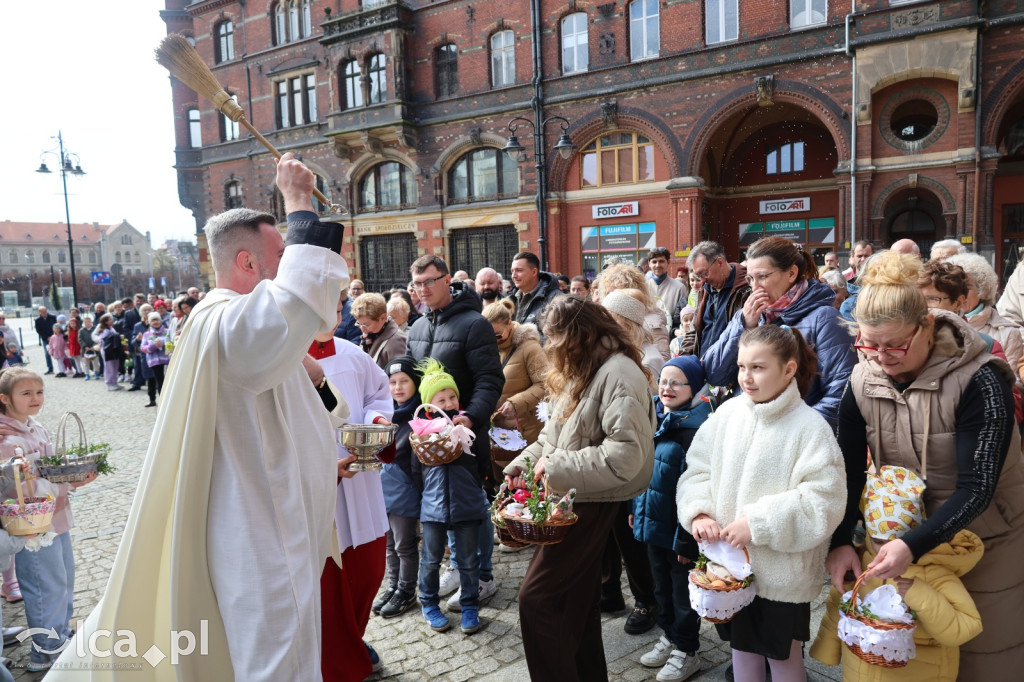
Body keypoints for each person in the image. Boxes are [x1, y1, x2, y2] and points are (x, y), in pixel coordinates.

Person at [48, 152, 348, 681]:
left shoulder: (243, 326)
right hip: (260, 531)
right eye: (284, 250)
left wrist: (318, 385)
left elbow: (295, 377)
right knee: (277, 664)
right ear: (249, 264)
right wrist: (298, 202)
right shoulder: (222, 321)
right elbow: (297, 308)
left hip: (281, 523)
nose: (292, 259)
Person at [827, 250, 1024, 677]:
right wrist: (841, 539)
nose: (881, 356)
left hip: (987, 539)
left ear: (928, 324)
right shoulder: (862, 378)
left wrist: (910, 545)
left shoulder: (980, 379)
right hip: (907, 542)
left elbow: (978, 486)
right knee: (915, 661)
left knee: (983, 657)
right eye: (868, 344)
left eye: (896, 344)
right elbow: (847, 468)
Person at [678, 325, 846, 682]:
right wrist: (700, 511)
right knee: (741, 650)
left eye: (758, 367)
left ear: (788, 369)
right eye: (741, 367)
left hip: (782, 575)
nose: (746, 377)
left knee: (783, 657)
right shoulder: (727, 415)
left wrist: (759, 523)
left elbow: (824, 500)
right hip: (731, 570)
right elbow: (698, 470)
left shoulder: (810, 428)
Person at [504, 296, 655, 679]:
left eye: (553, 338)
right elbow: (555, 439)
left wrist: (553, 468)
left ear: (578, 335)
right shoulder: (583, 366)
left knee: (538, 600)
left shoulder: (618, 372)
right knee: (576, 602)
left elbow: (625, 458)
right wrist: (520, 463)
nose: (549, 347)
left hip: (591, 500)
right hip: (574, 494)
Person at [810, 466, 984, 681]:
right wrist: (827, 649)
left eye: (896, 543)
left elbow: (967, 627)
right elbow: (841, 606)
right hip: (858, 671)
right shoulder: (863, 563)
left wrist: (920, 594)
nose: (885, 551)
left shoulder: (934, 572)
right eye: (878, 542)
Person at [406, 255, 504, 614]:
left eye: (429, 281)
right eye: (416, 284)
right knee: (442, 501)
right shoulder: (416, 327)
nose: (422, 289)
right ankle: (457, 567)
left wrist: (471, 417)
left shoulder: (474, 323)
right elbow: (412, 384)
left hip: (466, 434)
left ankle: (482, 575)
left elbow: (490, 379)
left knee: (473, 504)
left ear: (447, 280)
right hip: (430, 435)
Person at [310, 312, 393, 682]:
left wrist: (377, 421)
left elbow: (378, 393)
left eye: (339, 303)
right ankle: (337, 658)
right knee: (328, 587)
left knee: (370, 570)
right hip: (317, 489)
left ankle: (353, 637)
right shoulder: (282, 364)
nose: (335, 312)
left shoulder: (351, 353)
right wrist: (325, 468)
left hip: (362, 483)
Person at [0, 367, 98, 672]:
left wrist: (74, 473)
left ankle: (60, 634)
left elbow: (50, 466)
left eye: (39, 392)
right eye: (26, 393)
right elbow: (21, 488)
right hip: (33, 527)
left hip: (55, 519)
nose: (35, 398)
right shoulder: (7, 437)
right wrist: (68, 483)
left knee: (64, 579)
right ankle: (44, 653)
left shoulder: (36, 427)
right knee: (44, 587)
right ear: (4, 398)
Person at [703, 236, 856, 430]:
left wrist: (793, 434)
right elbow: (714, 374)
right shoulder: (749, 315)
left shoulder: (824, 318)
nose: (754, 287)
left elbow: (841, 392)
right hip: (746, 432)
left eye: (763, 276)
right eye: (751, 278)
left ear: (792, 273)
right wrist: (743, 326)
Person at [632, 356, 714, 682]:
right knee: (660, 588)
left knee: (682, 594)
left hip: (679, 531)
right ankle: (668, 635)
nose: (666, 388)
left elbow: (694, 490)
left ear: (692, 388)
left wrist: (686, 539)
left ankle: (686, 649)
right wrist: (633, 512)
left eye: (676, 382)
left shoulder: (694, 431)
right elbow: (641, 472)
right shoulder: (654, 418)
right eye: (663, 381)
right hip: (653, 522)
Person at [410, 359, 489, 635]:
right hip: (433, 507)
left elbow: (482, 462)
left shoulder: (467, 427)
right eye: (440, 399)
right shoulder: (421, 434)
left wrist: (474, 486)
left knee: (468, 561)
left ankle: (469, 605)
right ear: (429, 404)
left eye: (452, 396)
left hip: (466, 502)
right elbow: (415, 471)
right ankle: (429, 603)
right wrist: (428, 495)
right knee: (431, 559)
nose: (448, 403)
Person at [377, 356, 423, 619]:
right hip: (384, 489)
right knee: (389, 544)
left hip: (406, 490)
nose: (398, 388)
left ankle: (407, 590)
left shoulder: (419, 415)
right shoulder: (384, 412)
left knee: (405, 544)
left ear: (414, 383)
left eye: (404, 381)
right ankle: (393, 586)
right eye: (392, 382)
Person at [482, 299, 549, 479]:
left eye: (497, 335)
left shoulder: (530, 348)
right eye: (487, 335)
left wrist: (516, 403)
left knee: (523, 489)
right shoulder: (488, 348)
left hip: (526, 435)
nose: (493, 340)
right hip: (498, 436)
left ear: (509, 324)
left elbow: (545, 385)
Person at [948, 252, 1024, 387]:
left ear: (982, 289)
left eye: (966, 288)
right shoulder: (934, 325)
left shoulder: (1007, 332)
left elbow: (1012, 385)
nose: (959, 294)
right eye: (952, 287)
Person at [685, 241, 751, 357]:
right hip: (702, 367)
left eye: (704, 273)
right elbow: (694, 332)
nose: (702, 280)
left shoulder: (746, 289)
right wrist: (683, 362)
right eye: (698, 276)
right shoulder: (705, 290)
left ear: (720, 262)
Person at [603, 289, 665, 385]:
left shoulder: (649, 361)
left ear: (629, 326)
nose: (605, 326)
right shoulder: (620, 350)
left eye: (611, 321)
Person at [508, 251, 563, 331]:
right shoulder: (511, 299)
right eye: (512, 271)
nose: (514, 276)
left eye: (519, 270)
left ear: (534, 272)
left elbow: (556, 336)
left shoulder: (556, 299)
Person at [353, 292, 406, 370]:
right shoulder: (370, 335)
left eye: (366, 325)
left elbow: (398, 376)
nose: (362, 329)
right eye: (359, 324)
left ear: (383, 318)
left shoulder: (397, 340)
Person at [647, 247, 688, 328]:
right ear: (649, 264)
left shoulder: (679, 288)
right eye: (654, 262)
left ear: (668, 262)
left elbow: (682, 318)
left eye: (661, 261)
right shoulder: (643, 287)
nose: (657, 265)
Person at [140, 312, 172, 408]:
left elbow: (171, 342)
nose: (156, 322)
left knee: (166, 380)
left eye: (157, 319)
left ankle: (167, 400)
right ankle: (154, 400)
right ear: (149, 322)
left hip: (167, 359)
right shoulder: (147, 334)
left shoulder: (167, 331)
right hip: (154, 361)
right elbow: (143, 348)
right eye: (153, 320)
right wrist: (153, 346)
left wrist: (162, 342)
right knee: (156, 380)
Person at [95, 314, 124, 391]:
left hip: (114, 350)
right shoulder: (104, 331)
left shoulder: (111, 328)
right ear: (106, 322)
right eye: (110, 319)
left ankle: (114, 382)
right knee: (109, 367)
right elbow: (102, 341)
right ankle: (109, 383)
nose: (112, 320)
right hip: (108, 351)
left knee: (115, 366)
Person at [34, 307, 57, 375]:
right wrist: (47, 337)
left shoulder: (52, 317)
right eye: (43, 312)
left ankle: (65, 368)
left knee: (60, 352)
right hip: (45, 339)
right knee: (47, 353)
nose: (44, 313)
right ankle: (50, 369)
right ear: (40, 312)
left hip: (55, 337)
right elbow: (39, 330)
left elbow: (56, 326)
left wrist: (53, 336)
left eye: (45, 311)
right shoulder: (37, 320)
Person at [78, 316, 99, 380]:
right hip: (85, 349)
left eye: (88, 322)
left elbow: (98, 337)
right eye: (86, 322)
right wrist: (85, 346)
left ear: (91, 322)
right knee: (86, 363)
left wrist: (94, 346)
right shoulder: (81, 330)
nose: (87, 323)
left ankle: (96, 373)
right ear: (84, 322)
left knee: (95, 362)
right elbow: (80, 339)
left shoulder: (95, 328)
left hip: (94, 348)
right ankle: (87, 374)